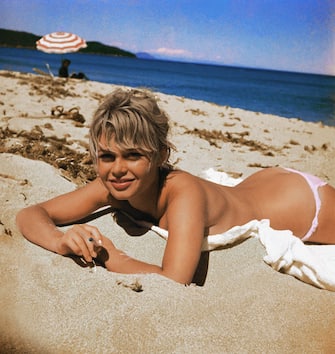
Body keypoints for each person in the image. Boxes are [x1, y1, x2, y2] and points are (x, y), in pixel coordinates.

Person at [16, 88, 335, 285]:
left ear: (161, 156)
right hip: (263, 183)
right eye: (107, 156)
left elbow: (175, 279)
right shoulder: (112, 185)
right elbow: (32, 214)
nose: (117, 169)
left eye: (133, 155)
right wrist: (60, 241)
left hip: (307, 205)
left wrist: (110, 256)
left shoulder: (184, 194)